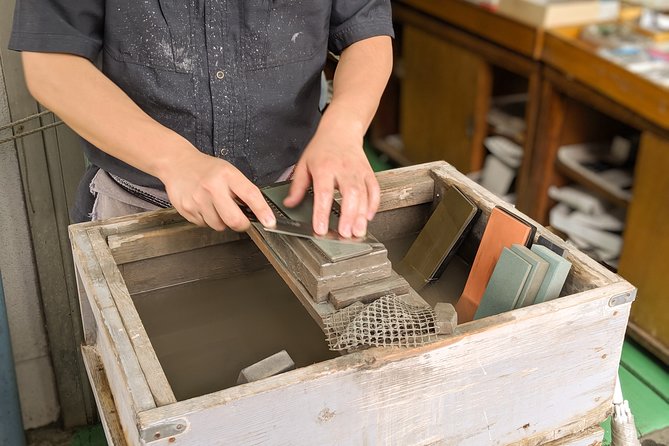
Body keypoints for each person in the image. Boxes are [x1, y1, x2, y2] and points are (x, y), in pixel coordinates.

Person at [9, 1, 394, 239]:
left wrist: (343, 128)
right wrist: (176, 160)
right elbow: (50, 64)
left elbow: (366, 32)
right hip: (141, 203)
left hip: (292, 197)